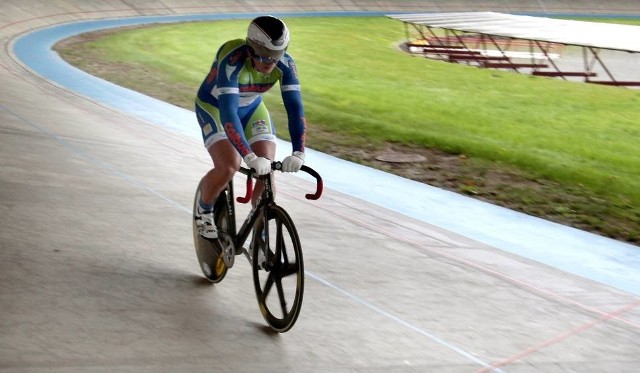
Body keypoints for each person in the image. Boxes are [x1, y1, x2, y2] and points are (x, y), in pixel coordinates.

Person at [194, 15, 307, 239]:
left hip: (252, 108)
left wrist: (298, 152)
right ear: (251, 49)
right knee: (229, 165)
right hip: (215, 108)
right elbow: (228, 112)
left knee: (267, 173)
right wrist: (248, 156)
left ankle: (260, 234)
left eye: (275, 58)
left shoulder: (286, 65)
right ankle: (203, 209)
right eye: (264, 57)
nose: (270, 64)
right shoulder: (232, 58)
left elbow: (295, 109)